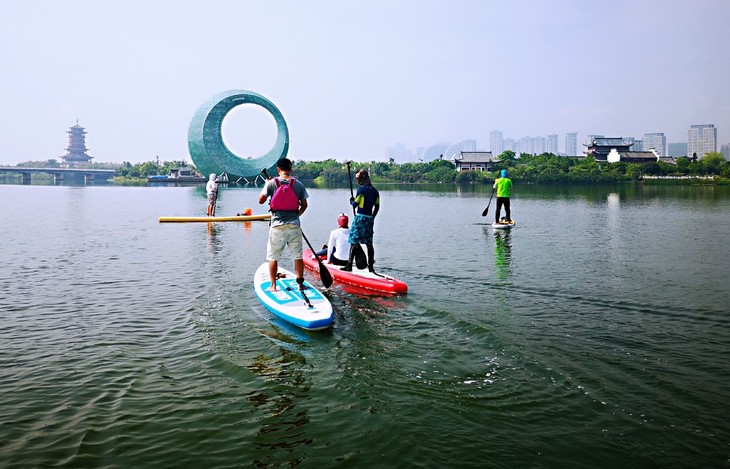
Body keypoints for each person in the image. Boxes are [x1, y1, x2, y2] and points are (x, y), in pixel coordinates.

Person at [258, 158, 309, 291]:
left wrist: (266, 185)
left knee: (273, 257)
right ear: (291, 169)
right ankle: (300, 284)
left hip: (277, 226)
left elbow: (260, 201)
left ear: (278, 170)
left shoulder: (271, 184)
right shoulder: (298, 184)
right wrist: (297, 215)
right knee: (297, 256)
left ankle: (273, 286)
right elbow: (304, 205)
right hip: (294, 226)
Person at [342, 169, 379, 272]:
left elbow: (355, 204)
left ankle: (349, 265)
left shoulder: (361, 190)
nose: (357, 181)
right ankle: (370, 266)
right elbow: (377, 206)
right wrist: (373, 217)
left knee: (354, 241)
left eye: (358, 179)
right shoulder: (375, 191)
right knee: (369, 244)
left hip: (360, 218)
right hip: (369, 219)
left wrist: (351, 201)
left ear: (363, 178)